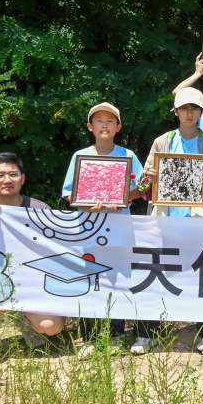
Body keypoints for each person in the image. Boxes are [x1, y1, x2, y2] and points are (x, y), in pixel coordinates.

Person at [134, 87, 203, 356]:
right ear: (175, 111)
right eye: (184, 108)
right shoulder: (162, 142)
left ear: (201, 112)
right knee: (154, 275)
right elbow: (143, 188)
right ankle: (146, 333)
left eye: (194, 108)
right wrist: (149, 178)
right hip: (164, 222)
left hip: (198, 223)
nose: (189, 113)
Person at [0, 153, 65, 365]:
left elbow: (57, 254)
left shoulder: (40, 210)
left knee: (51, 326)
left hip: (33, 281)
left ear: (22, 179)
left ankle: (26, 322)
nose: (7, 180)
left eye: (13, 174)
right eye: (0, 175)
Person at [60, 102, 144, 356]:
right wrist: (87, 205)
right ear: (90, 126)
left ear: (118, 127)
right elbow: (69, 194)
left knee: (117, 279)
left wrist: (123, 198)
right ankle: (89, 336)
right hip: (89, 228)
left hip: (119, 228)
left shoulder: (128, 155)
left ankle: (116, 334)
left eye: (110, 121)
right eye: (99, 121)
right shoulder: (80, 156)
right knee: (90, 279)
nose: (104, 125)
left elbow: (142, 188)